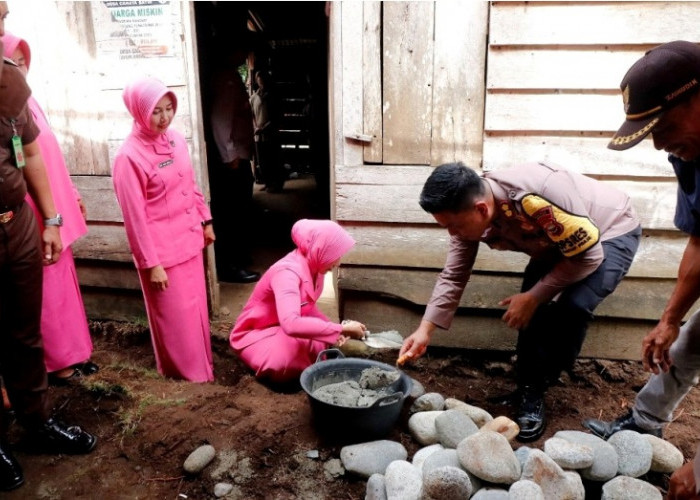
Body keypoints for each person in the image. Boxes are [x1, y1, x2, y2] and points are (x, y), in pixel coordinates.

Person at [398, 161, 641, 441]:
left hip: (608, 232)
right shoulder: (467, 212)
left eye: (453, 226)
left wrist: (535, 296)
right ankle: (530, 388)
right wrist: (424, 330)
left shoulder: (539, 197)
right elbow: (454, 274)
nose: (452, 234)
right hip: (556, 241)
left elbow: (589, 257)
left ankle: (546, 378)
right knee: (529, 309)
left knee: (572, 306)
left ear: (481, 209)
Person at [580, 40, 700, 498]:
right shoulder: (691, 153)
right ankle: (645, 423)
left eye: (664, 125)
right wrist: (669, 319)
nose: (658, 143)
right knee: (689, 340)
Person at [0, 2, 96, 491]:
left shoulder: (9, 81)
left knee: (23, 333)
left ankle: (35, 424)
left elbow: (31, 150)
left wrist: (52, 219)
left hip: (14, 223)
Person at [112, 77, 216, 383]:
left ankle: (205, 369)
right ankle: (187, 380)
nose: (165, 117)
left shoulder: (176, 140)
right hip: (162, 256)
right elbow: (135, 218)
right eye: (156, 111)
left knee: (196, 311)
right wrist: (151, 264)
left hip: (189, 241)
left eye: (169, 108)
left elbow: (189, 183)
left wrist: (205, 221)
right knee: (176, 321)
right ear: (139, 112)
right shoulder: (128, 157)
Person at [230, 218, 366, 384]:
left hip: (280, 328)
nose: (337, 262)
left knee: (318, 342)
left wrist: (337, 331)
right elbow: (291, 324)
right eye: (334, 255)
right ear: (320, 249)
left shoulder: (316, 267)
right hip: (256, 334)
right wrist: (339, 328)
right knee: (286, 359)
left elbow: (308, 308)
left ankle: (306, 372)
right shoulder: (286, 273)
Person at [208, 40, 260, 284]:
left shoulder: (229, 76)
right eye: (241, 48)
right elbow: (220, 120)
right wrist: (230, 157)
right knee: (231, 214)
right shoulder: (226, 79)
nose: (244, 53)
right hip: (233, 160)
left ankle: (236, 258)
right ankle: (230, 267)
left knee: (239, 212)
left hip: (238, 156)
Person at [250, 69, 284, 192]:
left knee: (274, 160)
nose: (261, 82)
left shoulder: (274, 96)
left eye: (263, 80)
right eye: (259, 81)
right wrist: (255, 127)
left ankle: (277, 184)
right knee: (262, 161)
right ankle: (268, 183)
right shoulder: (254, 98)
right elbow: (252, 115)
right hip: (258, 135)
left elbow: (277, 116)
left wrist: (264, 128)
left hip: (272, 134)